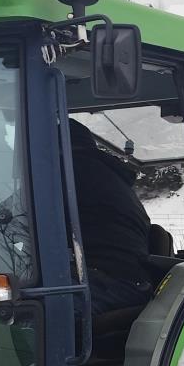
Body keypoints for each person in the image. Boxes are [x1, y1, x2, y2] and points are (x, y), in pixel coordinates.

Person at [69, 118, 154, 317]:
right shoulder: (106, 174)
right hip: (125, 278)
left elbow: (19, 215)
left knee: (28, 319)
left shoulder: (74, 171)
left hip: (111, 281)